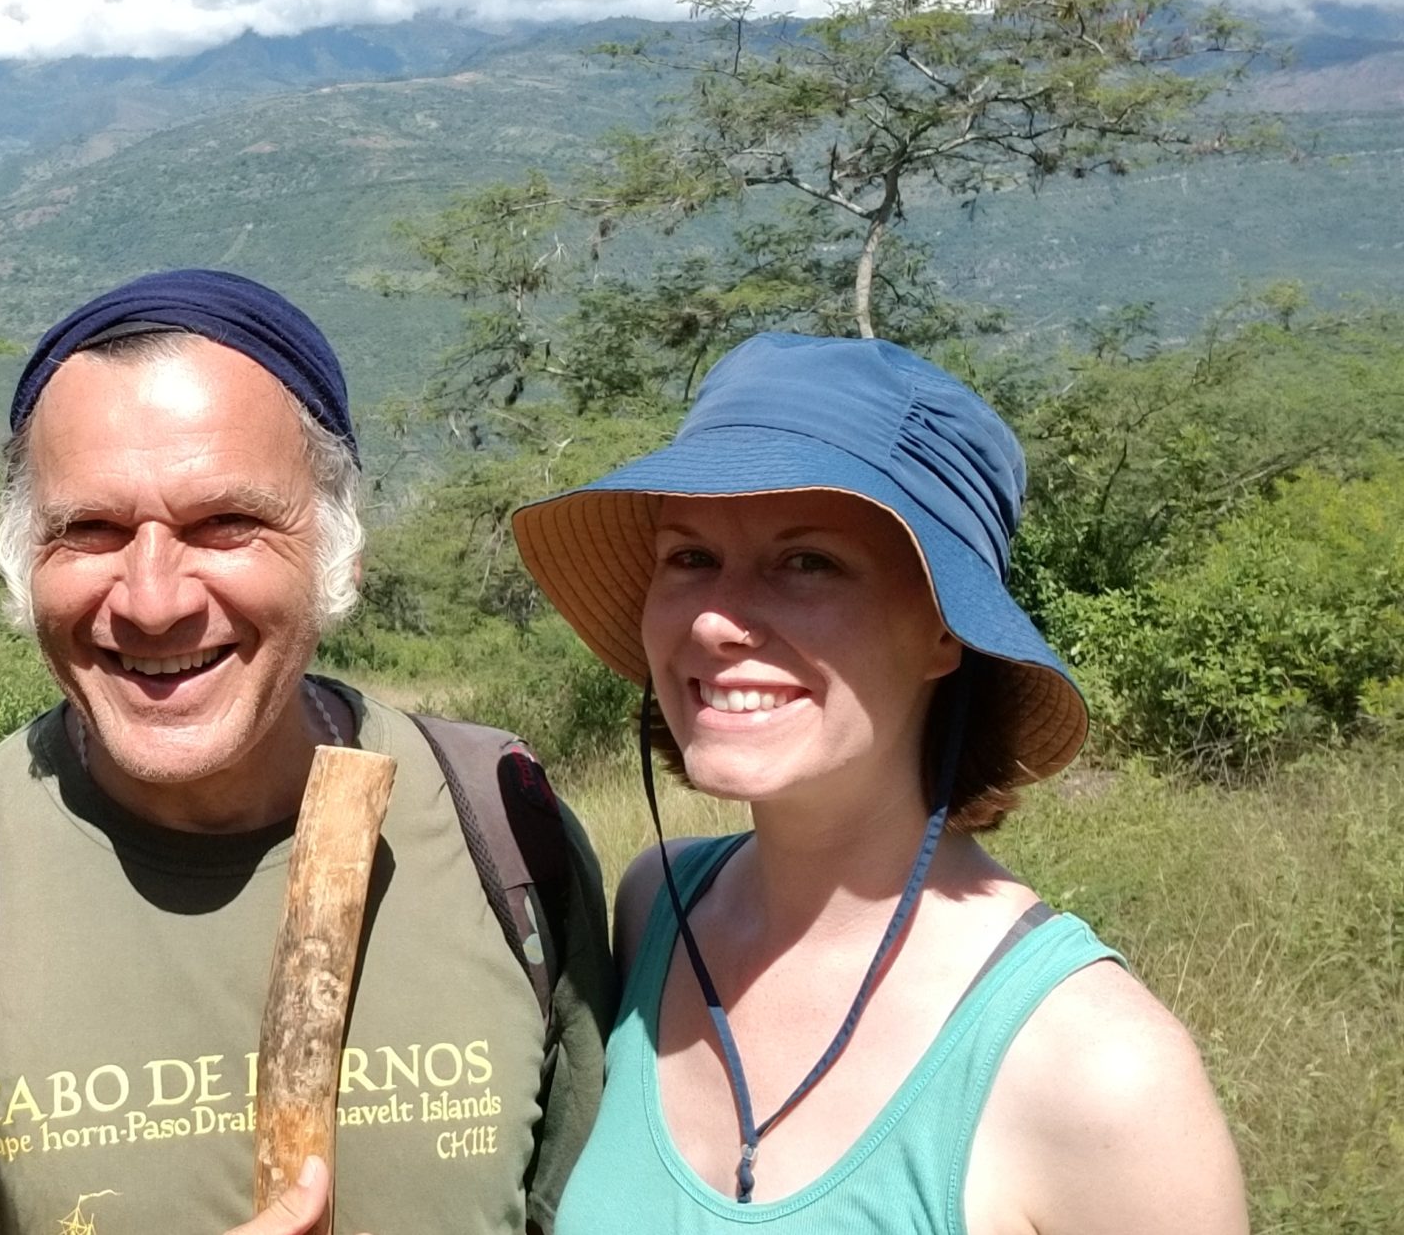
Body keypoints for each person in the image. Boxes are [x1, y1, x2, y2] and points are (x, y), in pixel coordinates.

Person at [0, 270, 615, 1235]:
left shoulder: (503, 829)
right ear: (21, 561)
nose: (152, 598)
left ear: (337, 548)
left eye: (226, 524)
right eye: (87, 530)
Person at [511, 333, 1247, 1232]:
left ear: (946, 632)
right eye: (689, 557)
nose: (713, 620)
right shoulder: (656, 904)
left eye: (808, 561)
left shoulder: (1098, 1073)